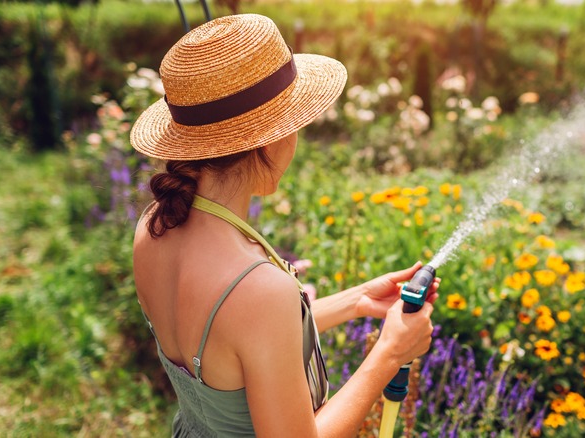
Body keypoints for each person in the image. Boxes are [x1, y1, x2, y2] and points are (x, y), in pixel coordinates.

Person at [129, 14, 440, 437]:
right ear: (272, 137)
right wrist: (390, 352)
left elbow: (238, 345)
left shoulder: (154, 227)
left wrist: (358, 300)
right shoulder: (255, 288)